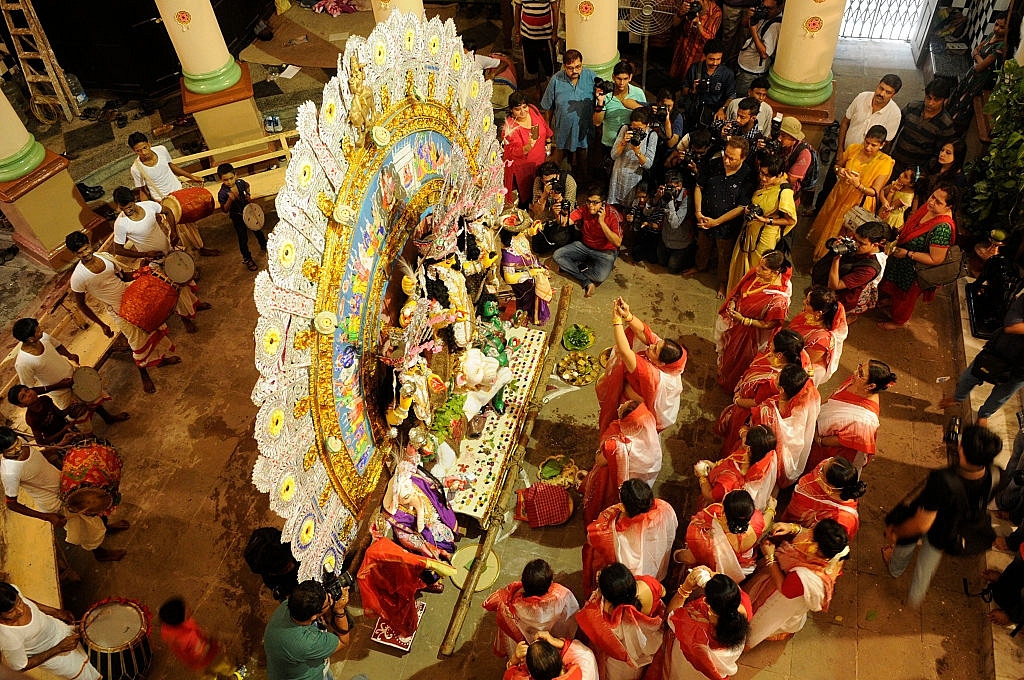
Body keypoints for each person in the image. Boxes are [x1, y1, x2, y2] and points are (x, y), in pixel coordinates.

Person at [884, 425, 1003, 608]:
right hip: (953, 527)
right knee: (927, 564)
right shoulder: (995, 474)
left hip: (936, 524)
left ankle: (895, 568)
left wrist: (897, 531)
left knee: (906, 543)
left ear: (963, 451)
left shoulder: (943, 480)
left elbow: (921, 524)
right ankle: (915, 597)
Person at [65, 231, 180, 394]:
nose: (86, 254)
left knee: (154, 328)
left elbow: (123, 277)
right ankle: (144, 374)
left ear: (89, 244)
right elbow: (81, 305)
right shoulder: (78, 278)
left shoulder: (105, 257)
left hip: (133, 298)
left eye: (86, 248)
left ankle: (160, 360)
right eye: (80, 253)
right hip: (119, 311)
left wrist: (139, 273)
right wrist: (102, 324)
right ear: (73, 254)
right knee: (137, 343)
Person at [0, 427, 127, 561]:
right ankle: (100, 554)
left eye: (17, 442)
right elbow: (11, 504)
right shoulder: (10, 472)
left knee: (96, 507)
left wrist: (60, 445)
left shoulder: (22, 445)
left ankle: (106, 529)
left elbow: (37, 457)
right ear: (2, 452)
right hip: (55, 501)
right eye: (12, 448)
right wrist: (47, 517)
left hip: (65, 485)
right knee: (88, 529)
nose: (18, 448)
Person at [111, 186, 209, 333]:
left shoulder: (149, 206)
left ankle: (194, 304)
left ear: (135, 200)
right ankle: (185, 318)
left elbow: (167, 211)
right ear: (119, 206)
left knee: (184, 281)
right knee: (173, 289)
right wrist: (144, 255)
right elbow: (117, 249)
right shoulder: (121, 224)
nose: (128, 211)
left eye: (130, 206)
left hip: (169, 250)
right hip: (155, 261)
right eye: (124, 208)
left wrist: (174, 231)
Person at [745, 519, 850, 647]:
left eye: (811, 536)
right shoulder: (834, 549)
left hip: (783, 597)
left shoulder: (807, 578)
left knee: (761, 620)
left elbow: (785, 589)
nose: (808, 534)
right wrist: (791, 528)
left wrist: (770, 557)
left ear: (817, 548)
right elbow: (808, 532)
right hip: (789, 583)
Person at [11, 318, 127, 425]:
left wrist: (70, 355)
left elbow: (57, 346)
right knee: (78, 416)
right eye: (38, 330)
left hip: (74, 376)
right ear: (30, 339)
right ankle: (89, 439)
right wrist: (60, 385)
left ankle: (108, 418)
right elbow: (30, 389)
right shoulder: (23, 363)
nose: (42, 330)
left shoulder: (43, 337)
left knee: (92, 396)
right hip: (61, 392)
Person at [596, 297, 686, 434]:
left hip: (630, 408)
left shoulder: (650, 374)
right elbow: (642, 332)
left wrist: (616, 321)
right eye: (657, 344)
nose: (652, 346)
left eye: (655, 350)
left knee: (617, 430)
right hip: (630, 396)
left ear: (660, 363)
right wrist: (628, 315)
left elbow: (625, 352)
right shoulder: (672, 362)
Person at [814, 75, 902, 213]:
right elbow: (844, 123)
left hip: (867, 163)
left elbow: (887, 143)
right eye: (881, 88)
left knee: (853, 195)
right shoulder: (862, 98)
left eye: (888, 92)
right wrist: (840, 150)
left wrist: (874, 166)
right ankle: (817, 211)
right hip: (846, 152)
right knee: (830, 184)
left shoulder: (895, 114)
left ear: (894, 95)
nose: (881, 94)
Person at [878, 183, 959, 330]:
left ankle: (898, 321)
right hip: (902, 260)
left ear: (949, 207)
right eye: (932, 197)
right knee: (895, 287)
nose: (932, 202)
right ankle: (891, 300)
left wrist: (909, 254)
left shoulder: (942, 228)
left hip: (913, 270)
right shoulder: (929, 208)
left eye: (938, 202)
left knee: (905, 297)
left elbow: (936, 259)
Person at [939, 288, 1024, 427]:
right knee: (969, 377)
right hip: (999, 352)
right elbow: (1012, 325)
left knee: (1000, 397)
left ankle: (984, 415)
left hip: (1020, 369)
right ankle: (957, 397)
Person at [808, 124, 894, 261]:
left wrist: (858, 185)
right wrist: (839, 171)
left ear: (882, 145)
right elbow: (837, 166)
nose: (868, 147)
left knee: (848, 233)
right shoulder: (853, 148)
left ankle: (838, 263)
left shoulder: (885, 162)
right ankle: (823, 259)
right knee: (831, 227)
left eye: (874, 145)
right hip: (840, 194)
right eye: (867, 142)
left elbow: (874, 192)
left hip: (859, 202)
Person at [715, 328, 807, 456]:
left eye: (772, 346)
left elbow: (755, 402)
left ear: (780, 355)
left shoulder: (772, 383)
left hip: (745, 411)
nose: (769, 347)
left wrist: (737, 401)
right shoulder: (784, 361)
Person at [127, 131, 219, 258]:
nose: (144, 152)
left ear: (149, 143)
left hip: (179, 192)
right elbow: (142, 190)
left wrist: (191, 176)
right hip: (163, 200)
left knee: (190, 222)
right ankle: (189, 256)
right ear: (134, 151)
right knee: (177, 230)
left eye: (145, 148)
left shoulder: (161, 150)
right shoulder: (136, 169)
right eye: (138, 151)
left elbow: (172, 167)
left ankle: (199, 247)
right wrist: (147, 209)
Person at [646, 569, 751, 680]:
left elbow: (670, 616)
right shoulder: (742, 613)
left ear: (707, 603)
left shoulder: (694, 631)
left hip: (686, 665)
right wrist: (715, 579)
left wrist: (685, 589)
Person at [582, 479, 679, 596]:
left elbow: (591, 540)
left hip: (630, 579)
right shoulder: (665, 508)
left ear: (623, 506)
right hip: (658, 567)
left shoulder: (610, 531)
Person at [714, 250, 792, 392]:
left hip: (750, 334)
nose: (757, 269)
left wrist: (745, 321)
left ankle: (732, 384)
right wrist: (733, 301)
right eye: (759, 265)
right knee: (727, 350)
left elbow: (772, 323)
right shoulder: (756, 274)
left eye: (763, 268)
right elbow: (739, 291)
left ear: (775, 272)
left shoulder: (779, 299)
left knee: (738, 360)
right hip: (736, 321)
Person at [574, 562, 666, 680]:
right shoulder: (648, 585)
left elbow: (590, 624)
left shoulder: (604, 616)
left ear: (607, 597)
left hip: (619, 661)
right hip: (645, 647)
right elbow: (663, 591)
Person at [381, 459, 458, 591]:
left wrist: (447, 485)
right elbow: (409, 539)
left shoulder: (416, 485)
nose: (411, 493)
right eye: (405, 496)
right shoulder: (398, 517)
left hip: (437, 524)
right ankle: (431, 583)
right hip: (423, 543)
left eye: (408, 487)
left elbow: (433, 490)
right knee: (429, 567)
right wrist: (424, 547)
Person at [806, 360, 897, 473]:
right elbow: (835, 394)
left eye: (860, 373)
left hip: (832, 450)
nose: (855, 372)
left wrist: (819, 440)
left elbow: (843, 440)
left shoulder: (864, 422)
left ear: (871, 386)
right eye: (859, 367)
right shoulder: (855, 381)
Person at [580, 399, 661, 523]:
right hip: (639, 482)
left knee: (604, 499)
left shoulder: (617, 446)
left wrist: (602, 448)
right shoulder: (649, 430)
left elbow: (600, 461)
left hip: (613, 482)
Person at [0, 581, 100, 679]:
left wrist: (57, 612)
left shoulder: (11, 592)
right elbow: (20, 667)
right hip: (52, 655)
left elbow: (28, 601)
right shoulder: (8, 638)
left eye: (19, 603)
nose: (20, 610)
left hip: (58, 629)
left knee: (90, 652)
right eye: (11, 612)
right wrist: (59, 648)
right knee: (85, 675)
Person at [695, 137, 756, 298]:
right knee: (703, 245)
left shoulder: (747, 176)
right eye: (725, 155)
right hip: (704, 218)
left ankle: (723, 282)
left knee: (724, 256)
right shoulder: (714, 165)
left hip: (726, 226)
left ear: (742, 158)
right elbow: (699, 187)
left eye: (732, 158)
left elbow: (741, 207)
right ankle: (700, 267)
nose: (727, 161)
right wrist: (698, 212)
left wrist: (716, 222)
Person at [726, 154, 796, 293]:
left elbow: (790, 220)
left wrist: (767, 220)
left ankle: (750, 296)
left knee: (758, 268)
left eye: (768, 176)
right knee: (741, 262)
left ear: (780, 174)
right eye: (761, 173)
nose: (763, 178)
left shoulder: (784, 191)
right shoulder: (766, 184)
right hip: (751, 228)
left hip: (765, 235)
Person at [482, 559, 580, 658]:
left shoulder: (512, 604)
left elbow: (505, 620)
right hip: (552, 636)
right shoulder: (561, 594)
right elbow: (571, 612)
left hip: (525, 641)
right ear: (550, 583)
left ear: (523, 582)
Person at [677, 489, 771, 583]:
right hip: (738, 567)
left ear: (723, 511)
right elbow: (765, 524)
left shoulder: (705, 539)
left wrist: (676, 556)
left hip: (711, 569)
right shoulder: (757, 519)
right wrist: (772, 509)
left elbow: (690, 558)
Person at [263, 579, 350, 680]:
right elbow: (343, 641)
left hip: (281, 671)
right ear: (313, 616)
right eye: (328, 602)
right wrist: (339, 610)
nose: (331, 598)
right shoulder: (308, 642)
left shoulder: (288, 605)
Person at [753, 364, 821, 486]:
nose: (776, 376)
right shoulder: (810, 391)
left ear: (782, 390)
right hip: (794, 452)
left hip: (778, 452)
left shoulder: (771, 411)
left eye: (779, 376)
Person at [811, 221, 896, 317]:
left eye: (861, 243)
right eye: (855, 239)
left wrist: (836, 259)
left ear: (875, 244)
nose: (855, 244)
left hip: (841, 297)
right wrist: (836, 244)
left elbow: (834, 286)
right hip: (828, 280)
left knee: (830, 318)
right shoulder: (860, 243)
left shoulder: (869, 269)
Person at [553, 185, 623, 297]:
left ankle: (574, 266)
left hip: (605, 251)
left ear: (603, 203)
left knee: (600, 276)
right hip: (584, 246)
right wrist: (558, 214)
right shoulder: (584, 209)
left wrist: (602, 222)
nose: (591, 206)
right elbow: (565, 222)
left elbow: (617, 242)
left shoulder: (613, 215)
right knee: (558, 255)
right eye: (589, 202)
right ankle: (586, 281)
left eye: (595, 203)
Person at [697, 424, 780, 512]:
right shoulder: (768, 454)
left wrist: (702, 477)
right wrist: (713, 465)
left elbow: (710, 497)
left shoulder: (730, 481)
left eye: (746, 437)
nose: (743, 438)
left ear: (749, 449)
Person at [780, 457, 866, 538]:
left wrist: (793, 528)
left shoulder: (843, 520)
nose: (818, 469)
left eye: (821, 471)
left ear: (829, 488)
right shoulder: (830, 466)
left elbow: (824, 541)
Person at [947, 15, 1008, 132]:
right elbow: (976, 50)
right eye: (996, 24)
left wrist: (976, 56)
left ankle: (953, 130)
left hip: (980, 81)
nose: (996, 29)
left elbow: (980, 66)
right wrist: (978, 57)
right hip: (972, 74)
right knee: (957, 94)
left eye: (1002, 27)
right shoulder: (992, 35)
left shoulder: (1001, 46)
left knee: (964, 104)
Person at [541, 50, 598, 171]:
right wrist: (548, 132)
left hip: (584, 127)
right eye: (570, 68)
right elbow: (548, 107)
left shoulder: (591, 77)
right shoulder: (556, 80)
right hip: (563, 128)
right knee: (559, 157)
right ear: (564, 66)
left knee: (583, 155)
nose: (575, 71)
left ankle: (583, 179)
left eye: (578, 67)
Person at [158, 597, 240, 678]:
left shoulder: (166, 628)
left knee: (207, 676)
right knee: (222, 664)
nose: (190, 609)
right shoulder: (188, 637)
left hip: (196, 664)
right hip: (208, 658)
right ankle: (231, 671)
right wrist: (215, 643)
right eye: (187, 610)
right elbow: (202, 650)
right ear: (181, 619)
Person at [889, 78, 957, 174]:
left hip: (915, 171)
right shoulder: (912, 107)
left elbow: (938, 153)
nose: (930, 103)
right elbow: (894, 130)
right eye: (928, 98)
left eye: (936, 100)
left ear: (945, 100)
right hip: (894, 161)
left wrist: (920, 172)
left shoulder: (946, 124)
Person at [787, 287, 847, 386]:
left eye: (808, 303)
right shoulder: (809, 315)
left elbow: (805, 362)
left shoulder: (822, 339)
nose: (803, 302)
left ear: (819, 312)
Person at [217, 163, 269, 272]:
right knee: (243, 238)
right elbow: (225, 210)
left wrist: (248, 195)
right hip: (237, 217)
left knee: (257, 229)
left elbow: (247, 185)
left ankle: (265, 245)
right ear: (221, 180)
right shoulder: (222, 193)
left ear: (236, 175)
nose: (229, 182)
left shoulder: (240, 183)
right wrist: (229, 200)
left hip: (249, 212)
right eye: (226, 180)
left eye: (231, 178)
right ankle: (247, 258)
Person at [501, 216, 553, 325]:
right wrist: (531, 273)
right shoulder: (509, 253)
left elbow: (527, 234)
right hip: (519, 277)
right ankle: (527, 314)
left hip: (529, 267)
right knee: (528, 294)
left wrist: (533, 230)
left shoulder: (520, 237)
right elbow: (509, 278)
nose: (525, 231)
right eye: (523, 228)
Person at [7, 385, 85, 453]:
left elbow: (60, 414)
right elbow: (41, 442)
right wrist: (64, 430)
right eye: (23, 396)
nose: (29, 394)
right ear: (21, 405)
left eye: (27, 390)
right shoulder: (31, 419)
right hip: (59, 441)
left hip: (69, 429)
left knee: (87, 445)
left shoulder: (45, 399)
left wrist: (70, 406)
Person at [595, 61, 646, 158]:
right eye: (619, 79)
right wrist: (600, 102)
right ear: (613, 77)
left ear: (630, 77)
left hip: (631, 146)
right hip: (609, 145)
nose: (622, 83)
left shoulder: (638, 93)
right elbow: (597, 122)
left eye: (625, 79)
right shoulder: (606, 94)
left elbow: (644, 118)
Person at [734, 0, 784, 97]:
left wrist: (753, 31)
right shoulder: (764, 14)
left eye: (769, 8)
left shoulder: (776, 26)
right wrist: (749, 16)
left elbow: (764, 54)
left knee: (740, 97)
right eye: (764, 6)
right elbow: (744, 24)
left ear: (780, 7)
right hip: (744, 66)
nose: (765, 10)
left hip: (751, 72)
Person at [682, 39, 736, 130]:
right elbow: (683, 90)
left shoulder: (727, 73)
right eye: (711, 59)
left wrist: (722, 109)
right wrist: (693, 90)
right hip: (694, 110)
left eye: (718, 59)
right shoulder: (695, 68)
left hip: (714, 113)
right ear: (704, 56)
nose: (715, 63)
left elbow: (732, 96)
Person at [503, 633, 599, 680]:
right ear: (560, 659)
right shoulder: (584, 665)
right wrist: (555, 641)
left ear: (531, 674)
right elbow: (584, 652)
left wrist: (514, 660)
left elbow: (509, 677)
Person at [670, 0, 723, 84]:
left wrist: (698, 25)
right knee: (675, 80)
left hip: (699, 53)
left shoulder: (715, 11)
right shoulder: (688, 3)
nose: (693, 2)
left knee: (692, 82)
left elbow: (710, 39)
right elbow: (674, 24)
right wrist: (680, 13)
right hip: (683, 48)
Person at [512, 0, 558, 95]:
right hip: (527, 35)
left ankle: (552, 90)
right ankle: (538, 86)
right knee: (532, 65)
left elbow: (555, 9)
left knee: (549, 65)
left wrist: (554, 33)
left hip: (545, 35)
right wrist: (517, 33)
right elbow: (517, 9)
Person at [912, 140, 967, 212]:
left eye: (948, 153)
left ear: (957, 156)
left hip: (935, 210)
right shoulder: (933, 164)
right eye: (942, 150)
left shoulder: (958, 178)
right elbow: (919, 188)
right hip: (918, 203)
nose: (942, 154)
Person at [777, 116, 815, 195]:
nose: (779, 138)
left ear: (793, 138)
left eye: (783, 136)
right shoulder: (781, 144)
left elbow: (791, 179)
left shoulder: (804, 154)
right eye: (779, 134)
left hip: (788, 191)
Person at [877, 166, 917, 232]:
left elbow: (888, 208)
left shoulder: (907, 197)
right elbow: (883, 190)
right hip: (882, 212)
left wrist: (892, 191)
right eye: (903, 172)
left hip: (891, 219)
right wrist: (883, 200)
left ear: (911, 184)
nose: (901, 175)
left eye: (905, 176)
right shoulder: (898, 183)